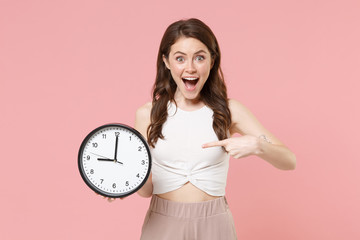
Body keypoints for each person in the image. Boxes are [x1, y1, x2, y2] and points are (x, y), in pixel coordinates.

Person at [134, 18, 296, 240]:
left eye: (199, 57)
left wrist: (259, 146)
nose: (190, 68)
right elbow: (146, 190)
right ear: (166, 62)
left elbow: (289, 161)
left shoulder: (230, 111)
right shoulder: (147, 114)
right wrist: (124, 180)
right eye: (180, 58)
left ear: (212, 61)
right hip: (162, 224)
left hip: (215, 223)